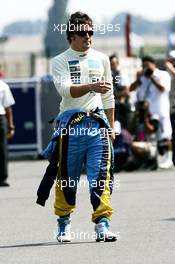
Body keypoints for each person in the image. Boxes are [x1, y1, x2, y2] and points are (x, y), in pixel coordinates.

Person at [37, 12, 117, 243]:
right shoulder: (60, 60)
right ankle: (64, 224)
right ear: (71, 35)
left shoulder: (102, 59)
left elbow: (109, 97)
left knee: (100, 176)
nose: (88, 37)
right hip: (71, 128)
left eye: (91, 32)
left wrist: (111, 128)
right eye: (83, 33)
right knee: (67, 178)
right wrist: (92, 85)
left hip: (97, 126)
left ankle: (103, 224)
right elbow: (65, 90)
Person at [130, 56, 173, 169]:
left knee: (166, 136)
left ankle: (169, 160)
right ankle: (155, 160)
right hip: (148, 112)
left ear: (154, 64)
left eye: (147, 65)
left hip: (161, 109)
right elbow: (131, 89)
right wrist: (138, 79)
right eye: (144, 66)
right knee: (152, 137)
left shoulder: (163, 75)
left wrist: (152, 78)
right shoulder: (143, 77)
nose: (146, 68)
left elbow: (163, 89)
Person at [0, 80, 15, 187]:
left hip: (0, 117)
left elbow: (8, 107)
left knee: (1, 148)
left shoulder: (3, 85)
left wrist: (10, 125)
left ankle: (2, 177)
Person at [165, 50, 175, 165]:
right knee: (171, 134)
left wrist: (169, 67)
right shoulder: (166, 73)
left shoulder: (171, 71)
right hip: (170, 107)